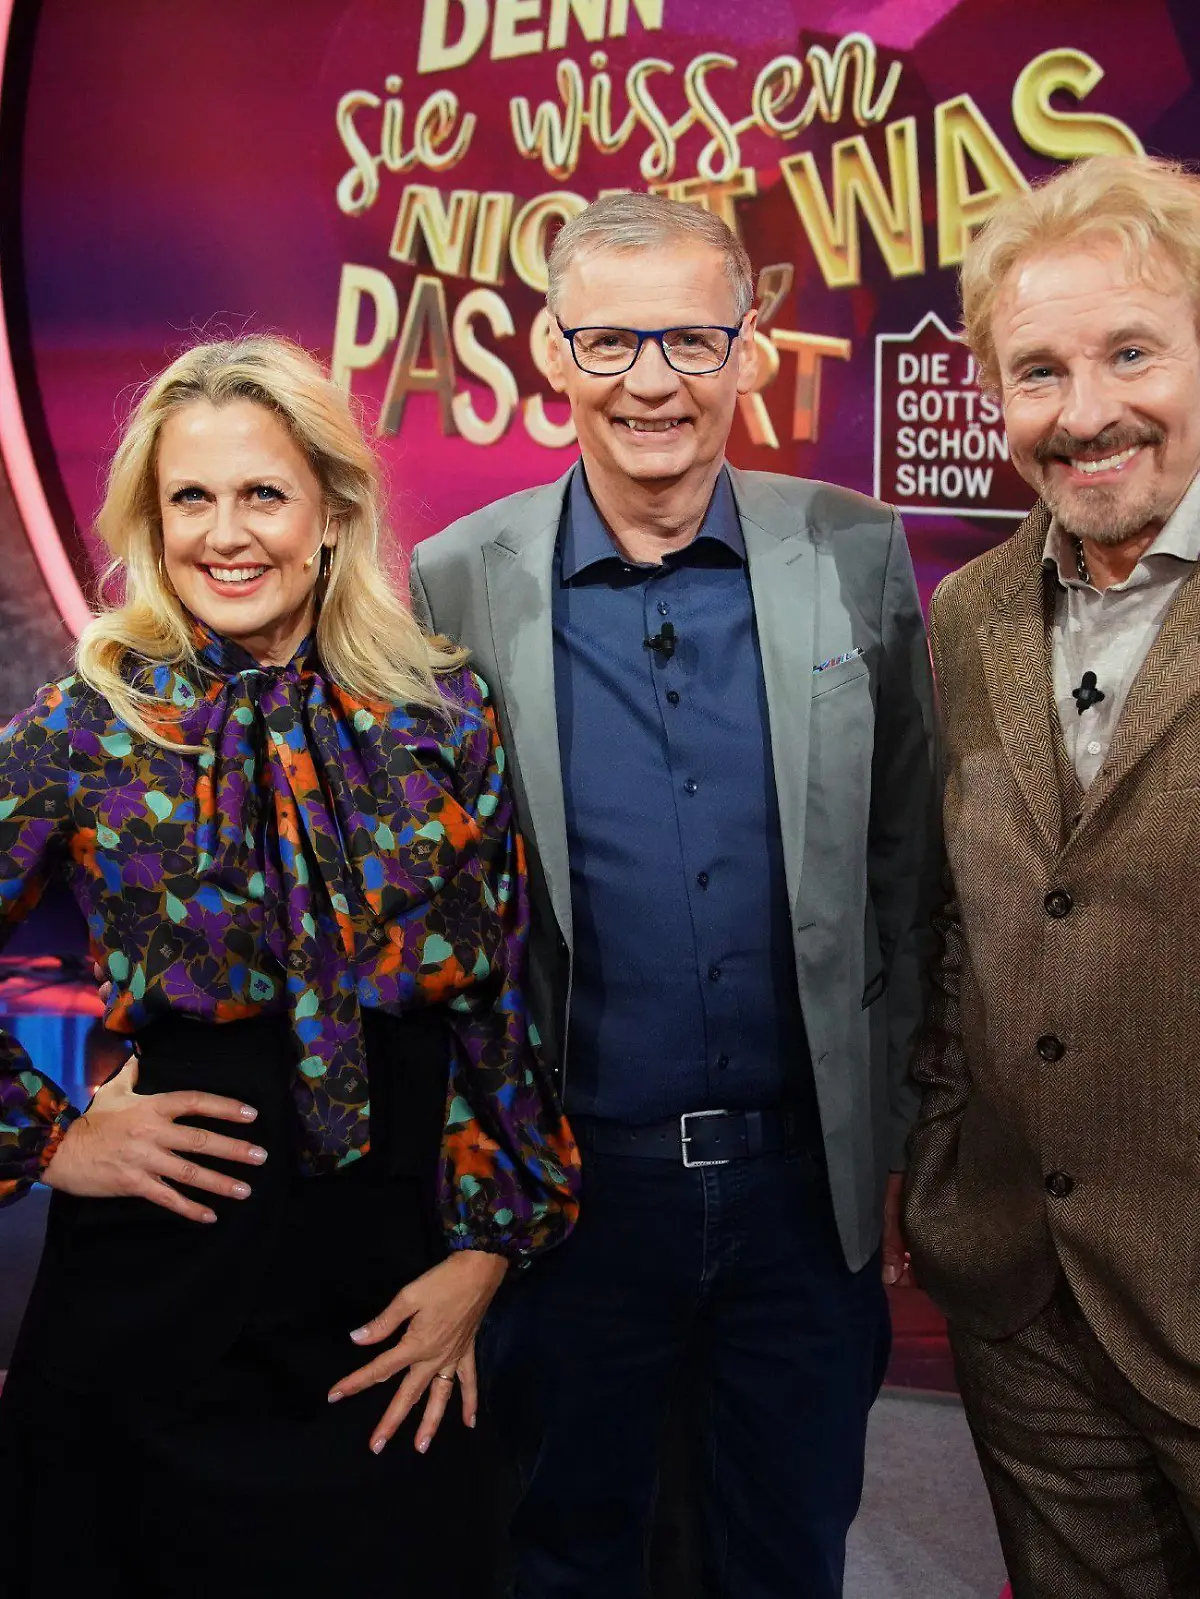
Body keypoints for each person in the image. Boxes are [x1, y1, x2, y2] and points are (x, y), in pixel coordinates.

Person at [409, 192, 938, 1598]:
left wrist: (888, 1135)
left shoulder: (855, 551)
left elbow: (905, 867)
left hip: (798, 1196)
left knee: (785, 1547)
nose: (655, 381)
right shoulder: (452, 577)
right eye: (615, 341)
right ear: (553, 352)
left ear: (750, 345)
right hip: (576, 1192)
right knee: (564, 1548)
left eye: (696, 338)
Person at [0, 336, 579, 1599]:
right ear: (152, 522)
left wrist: (484, 1261)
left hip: (396, 1303)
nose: (227, 533)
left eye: (261, 492)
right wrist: (46, 1137)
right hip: (161, 1298)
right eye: (189, 498)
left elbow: (501, 1008)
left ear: (331, 510)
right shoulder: (91, 722)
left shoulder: (443, 710)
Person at [903, 153, 1200, 1597]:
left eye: (1132, 351)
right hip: (1024, 1304)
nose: (1084, 413)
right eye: (1037, 371)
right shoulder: (967, 613)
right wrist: (948, 1158)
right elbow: (971, 918)